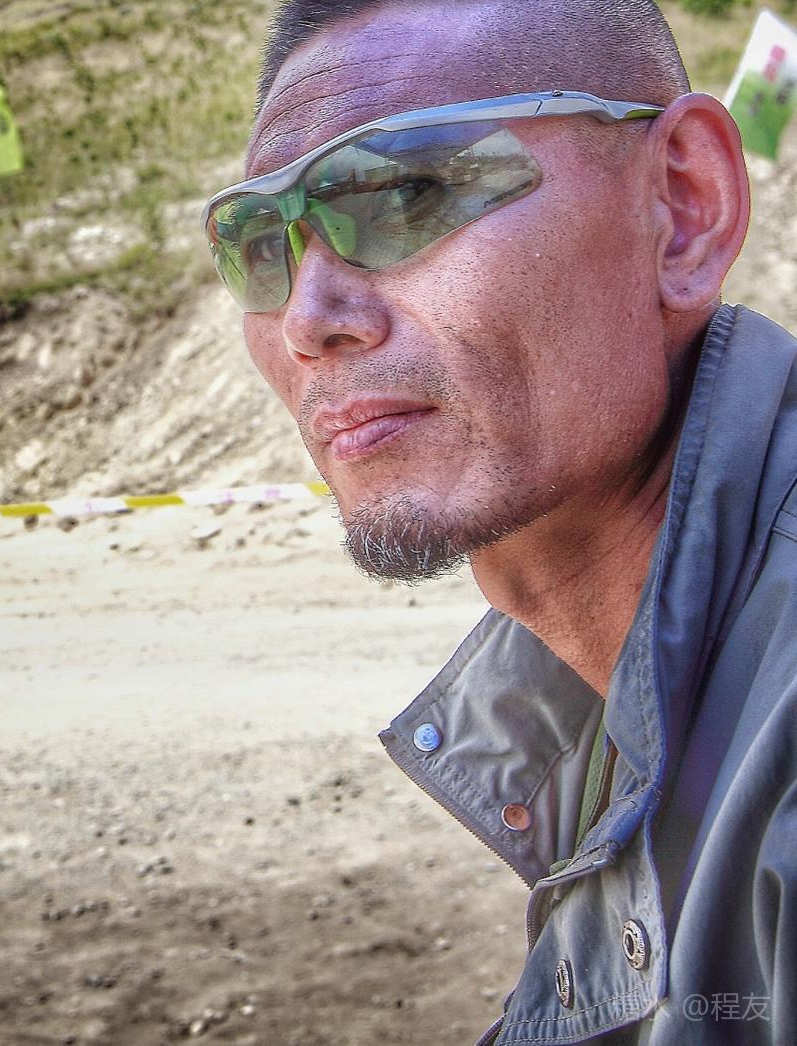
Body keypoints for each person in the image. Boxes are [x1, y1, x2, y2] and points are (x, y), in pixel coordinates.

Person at [201, 1, 797, 1041]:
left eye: (403, 193)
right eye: (259, 243)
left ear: (683, 204)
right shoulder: (604, 693)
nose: (306, 319)